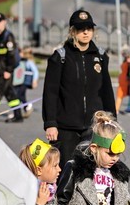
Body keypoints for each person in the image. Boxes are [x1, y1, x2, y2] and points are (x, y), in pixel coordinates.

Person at [42, 10, 115, 165]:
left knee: (92, 172)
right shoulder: (60, 57)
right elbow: (50, 92)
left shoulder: (101, 57)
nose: (85, 32)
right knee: (67, 172)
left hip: (94, 126)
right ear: (72, 31)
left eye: (89, 28)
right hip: (65, 128)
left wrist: (112, 122)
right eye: (81, 28)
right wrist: (50, 123)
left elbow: (107, 91)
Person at [13, 47, 39, 118]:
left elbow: (35, 71)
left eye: (21, 53)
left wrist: (34, 81)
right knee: (22, 96)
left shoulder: (29, 62)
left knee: (18, 95)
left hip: (26, 81)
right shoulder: (24, 61)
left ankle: (24, 108)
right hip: (22, 81)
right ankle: (25, 108)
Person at [116, 49, 130, 114]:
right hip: (125, 80)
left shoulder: (125, 61)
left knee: (120, 95)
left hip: (122, 79)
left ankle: (116, 109)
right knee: (120, 95)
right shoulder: (127, 61)